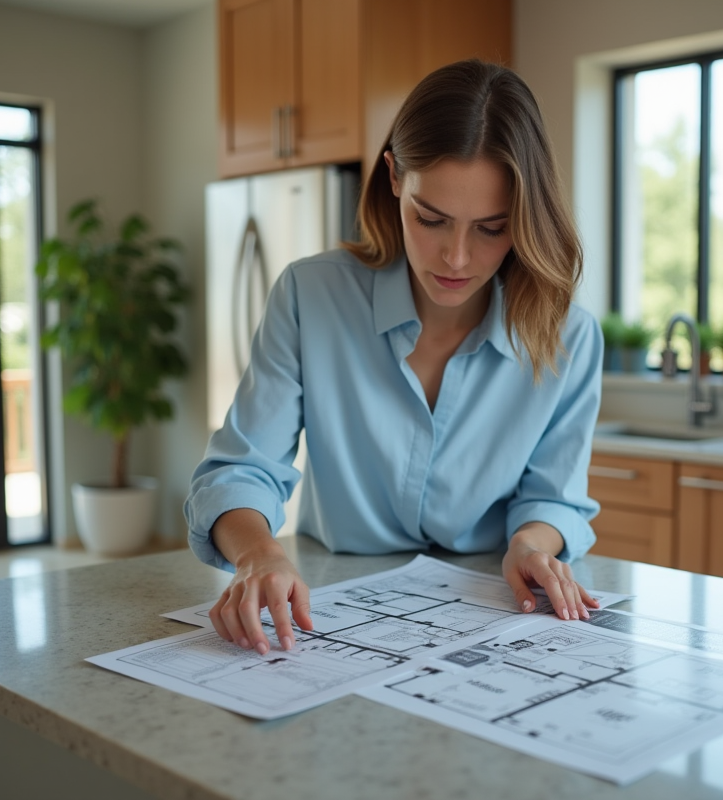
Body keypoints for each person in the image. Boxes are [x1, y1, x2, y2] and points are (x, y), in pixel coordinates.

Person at [185, 59, 603, 656]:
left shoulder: (570, 337)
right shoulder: (311, 296)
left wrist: (532, 545)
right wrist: (259, 552)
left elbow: (553, 498)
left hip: (491, 611)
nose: (456, 257)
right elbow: (240, 470)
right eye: (430, 219)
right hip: (333, 613)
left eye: (492, 228)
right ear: (393, 178)